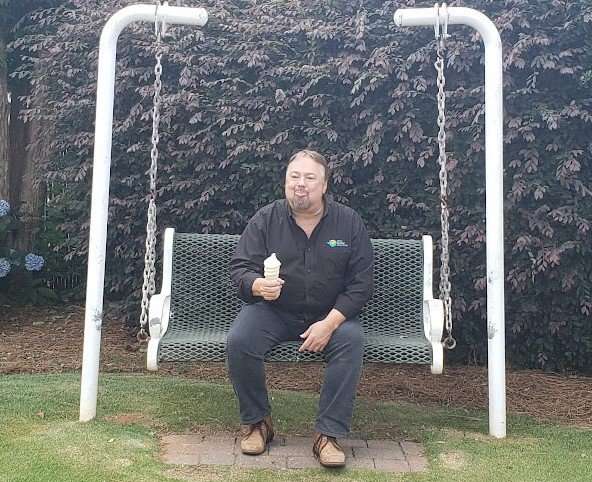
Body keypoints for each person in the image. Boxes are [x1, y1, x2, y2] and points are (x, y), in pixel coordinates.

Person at [227, 149, 374, 468]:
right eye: (294, 177)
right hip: (274, 312)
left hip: (330, 314)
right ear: (285, 182)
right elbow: (240, 268)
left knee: (350, 342)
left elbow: (361, 284)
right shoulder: (266, 219)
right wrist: (256, 285)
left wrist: (330, 323)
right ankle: (257, 424)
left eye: (310, 178)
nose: (300, 184)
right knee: (240, 341)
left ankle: (327, 436)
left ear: (324, 186)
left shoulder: (348, 222)